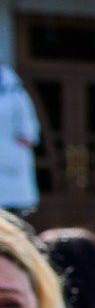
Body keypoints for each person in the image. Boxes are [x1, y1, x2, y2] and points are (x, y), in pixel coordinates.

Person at [0, 64, 38, 217]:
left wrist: (12, 148)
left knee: (12, 216)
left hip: (10, 160)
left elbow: (29, 129)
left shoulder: (15, 93)